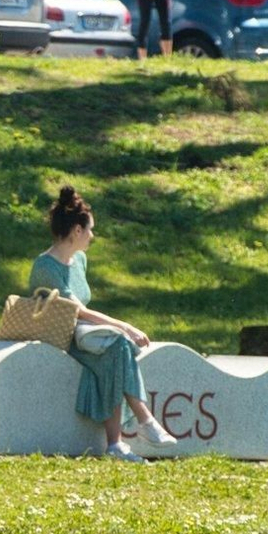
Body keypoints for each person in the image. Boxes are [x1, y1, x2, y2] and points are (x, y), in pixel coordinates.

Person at [28, 188, 179, 462]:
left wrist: (120, 331)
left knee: (117, 351)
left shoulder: (80, 261)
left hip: (83, 337)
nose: (92, 236)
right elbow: (79, 311)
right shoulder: (45, 266)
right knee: (119, 344)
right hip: (60, 338)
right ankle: (143, 423)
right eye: (90, 230)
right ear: (77, 230)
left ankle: (117, 444)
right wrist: (125, 326)